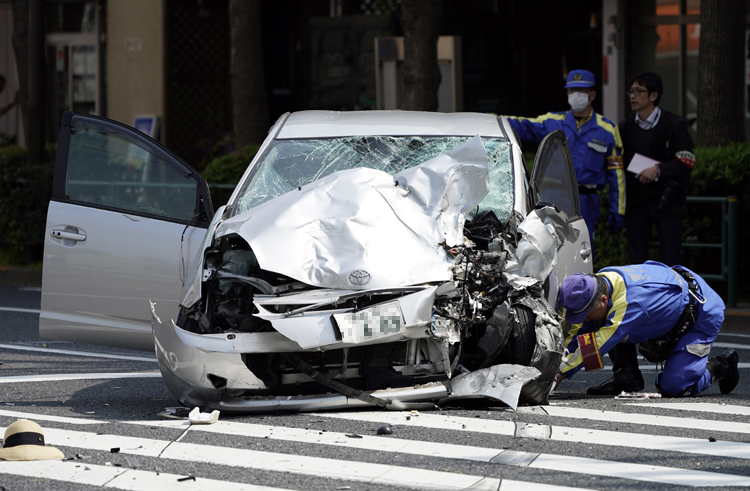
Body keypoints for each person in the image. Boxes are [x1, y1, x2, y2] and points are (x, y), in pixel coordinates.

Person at [593, 72, 697, 396]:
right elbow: (617, 161)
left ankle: (678, 317)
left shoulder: (673, 124)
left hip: (667, 207)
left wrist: (660, 170)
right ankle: (639, 320)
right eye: (631, 91)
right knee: (636, 264)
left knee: (671, 263)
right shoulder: (625, 127)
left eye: (639, 91)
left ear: (654, 95)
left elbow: (688, 160)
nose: (632, 96)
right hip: (636, 207)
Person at [555, 262, 739, 398]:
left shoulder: (632, 302)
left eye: (586, 313)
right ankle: (626, 377)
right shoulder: (601, 281)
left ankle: (721, 365)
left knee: (673, 388)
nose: (584, 319)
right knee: (599, 323)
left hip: (700, 316)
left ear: (603, 299)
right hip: (671, 308)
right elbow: (579, 332)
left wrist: (559, 374)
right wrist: (556, 363)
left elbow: (598, 342)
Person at [506, 69, 624, 257]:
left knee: (582, 254)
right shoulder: (552, 121)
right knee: (548, 253)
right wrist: (492, 120)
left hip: (585, 202)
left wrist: (617, 209)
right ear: (567, 94)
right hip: (552, 199)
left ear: (592, 95)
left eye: (581, 90)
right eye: (571, 90)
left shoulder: (607, 129)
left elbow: (617, 175)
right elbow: (523, 125)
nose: (575, 95)